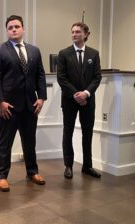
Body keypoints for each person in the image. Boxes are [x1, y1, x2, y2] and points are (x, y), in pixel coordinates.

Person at [0, 15, 47, 192]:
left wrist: (42, 97)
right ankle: (1, 176)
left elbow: (40, 75)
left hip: (31, 105)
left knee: (30, 141)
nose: (13, 29)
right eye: (10, 27)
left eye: (17, 26)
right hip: (8, 107)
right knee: (4, 142)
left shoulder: (34, 51)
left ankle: (32, 171)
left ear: (23, 29)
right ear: (7, 31)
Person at [57, 22, 102, 180]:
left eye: (78, 32)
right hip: (70, 100)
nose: (74, 34)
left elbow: (97, 77)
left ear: (86, 34)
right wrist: (77, 95)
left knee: (87, 133)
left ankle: (87, 166)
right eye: (73, 32)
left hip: (88, 101)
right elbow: (61, 78)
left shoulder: (94, 54)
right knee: (67, 132)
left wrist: (86, 94)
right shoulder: (63, 54)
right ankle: (68, 165)